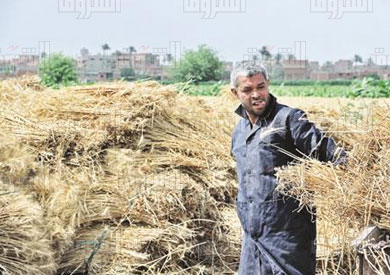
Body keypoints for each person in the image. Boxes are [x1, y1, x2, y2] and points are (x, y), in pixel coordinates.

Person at [230, 62, 346, 275]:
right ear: (235, 92)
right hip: (252, 237)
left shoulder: (288, 120)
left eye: (261, 86)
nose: (257, 94)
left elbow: (330, 153)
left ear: (268, 85)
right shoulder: (240, 131)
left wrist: (360, 169)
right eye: (247, 90)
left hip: (287, 237)